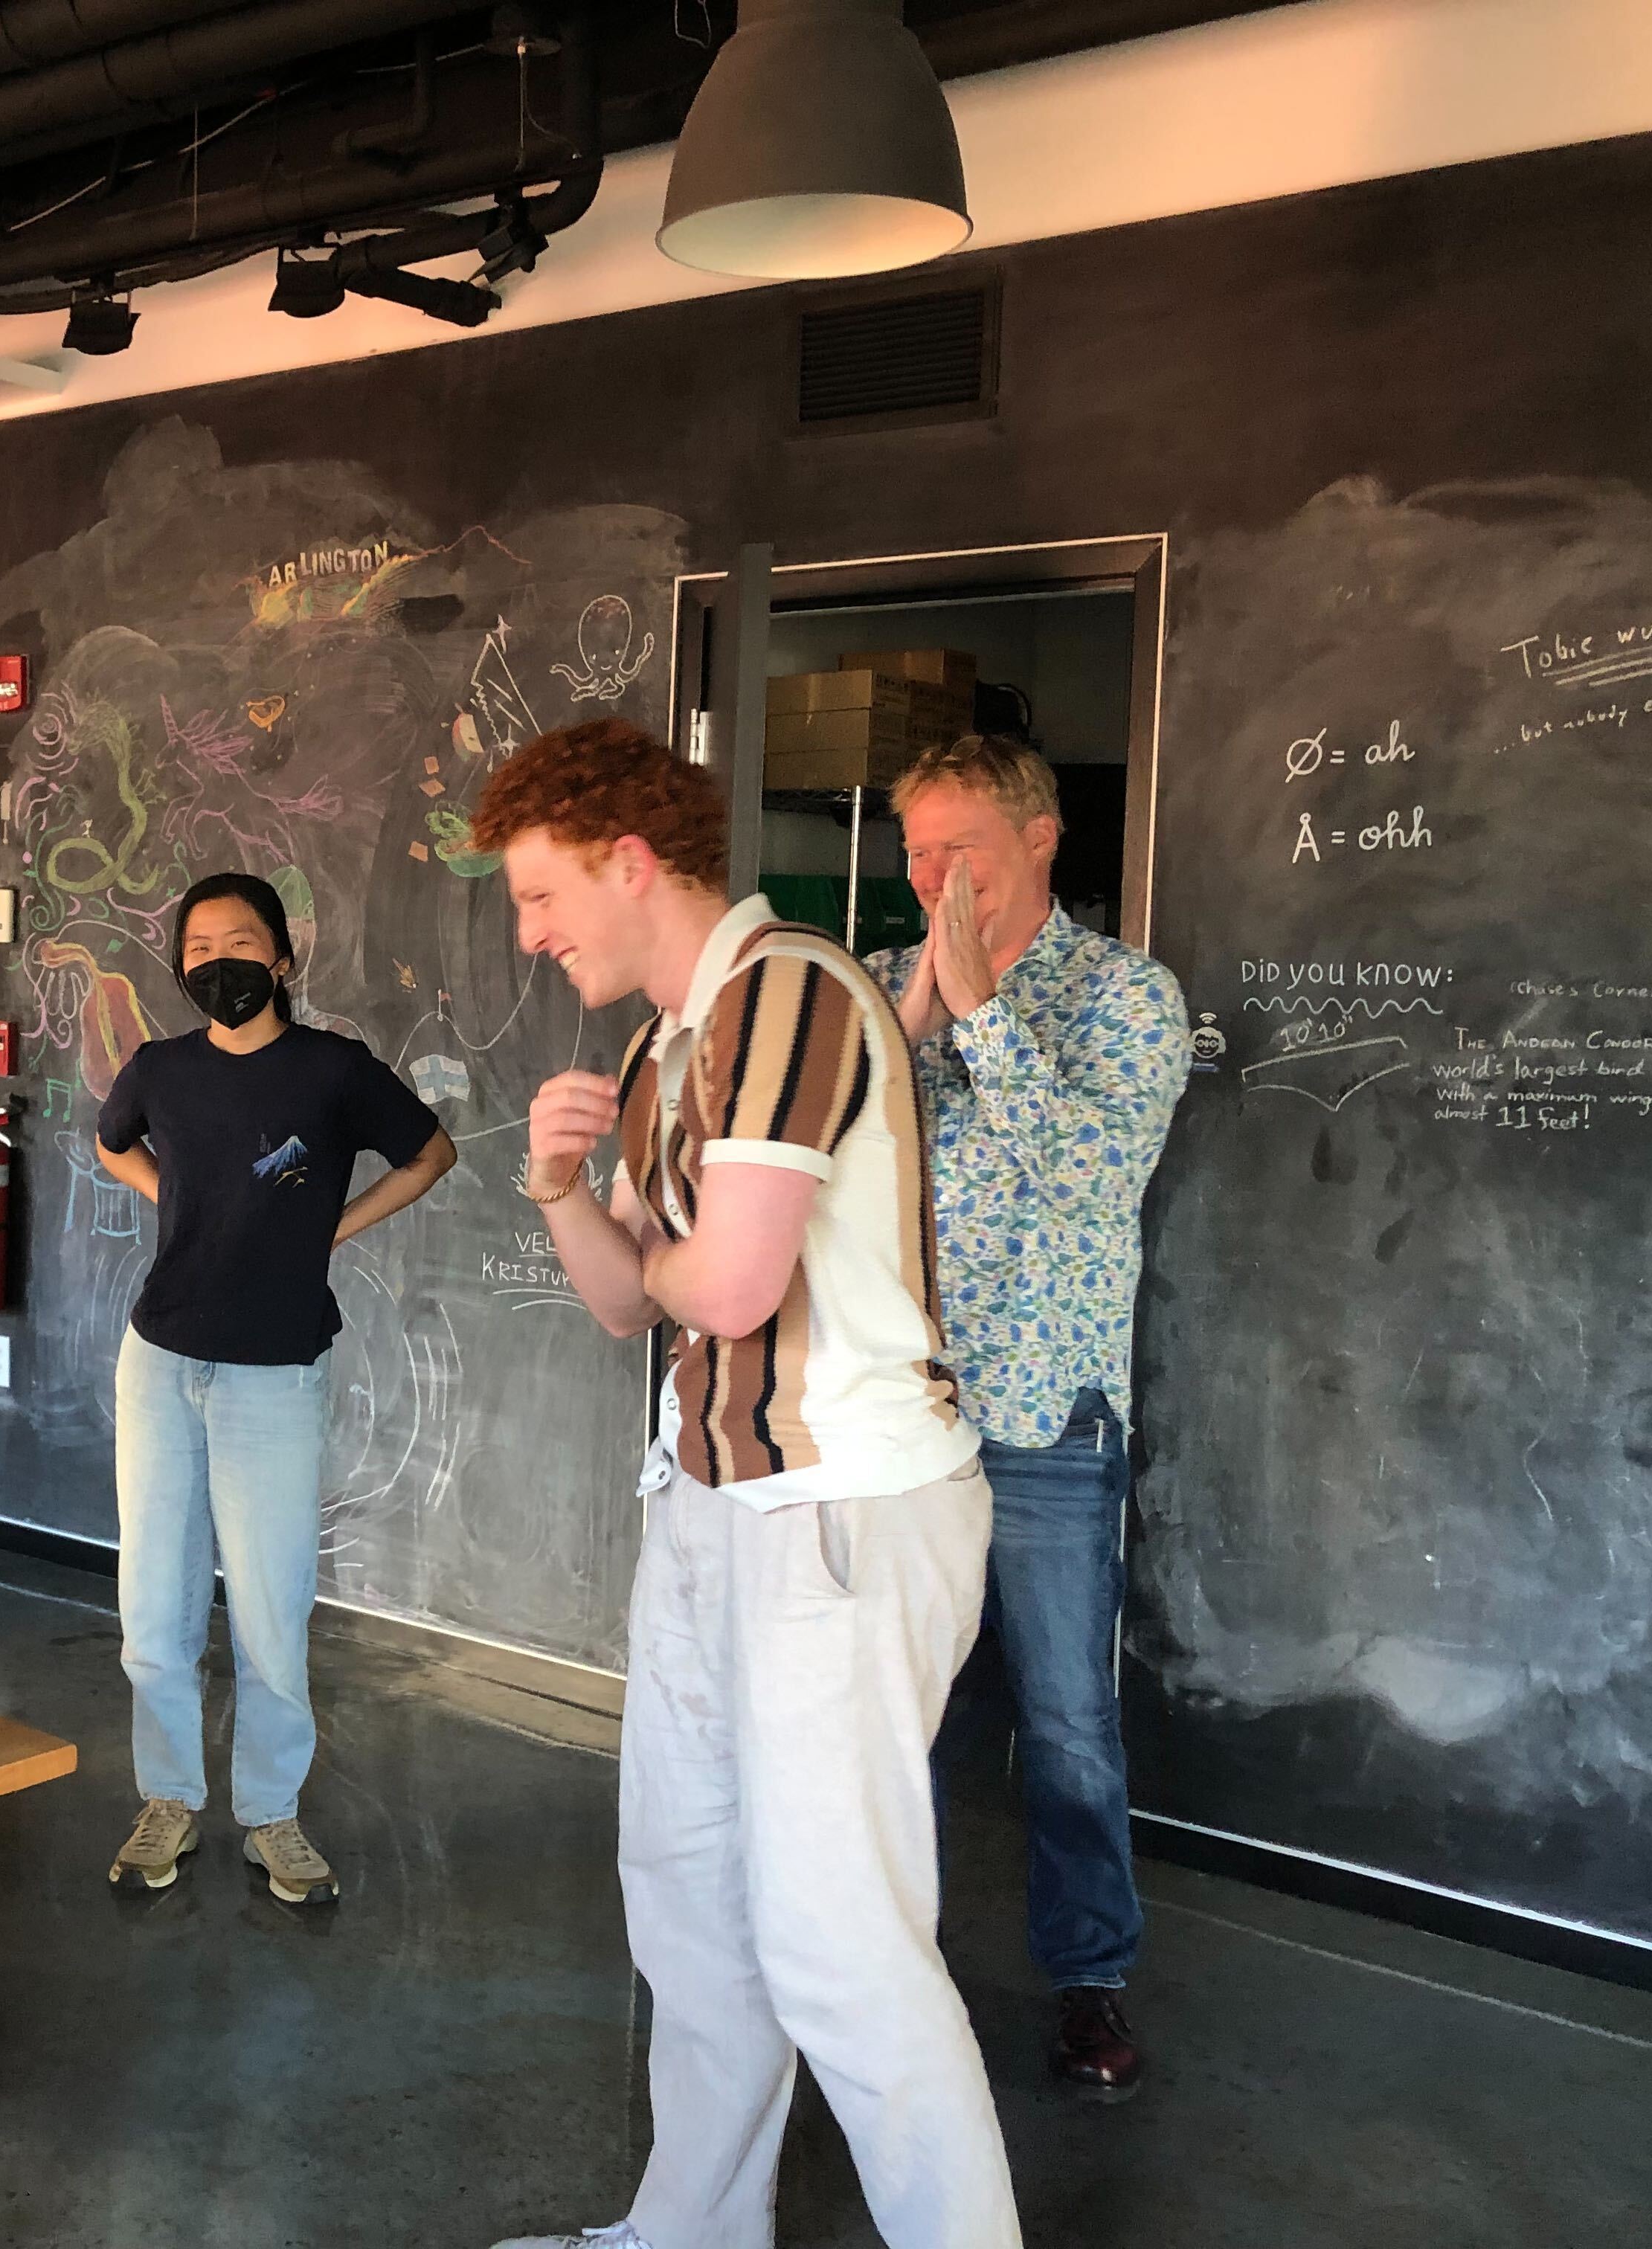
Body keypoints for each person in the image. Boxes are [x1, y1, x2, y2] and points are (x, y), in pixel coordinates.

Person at [471, 719, 1019, 2249]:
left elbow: (726, 1286)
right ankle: (689, 2234)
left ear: (629, 862)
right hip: (716, 1502)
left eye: (538, 894)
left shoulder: (790, 992)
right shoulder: (667, 1042)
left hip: (841, 1510)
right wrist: (555, 1186)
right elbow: (626, 1305)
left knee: (840, 1946)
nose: (530, 932)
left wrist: (658, 1244)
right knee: (692, 1905)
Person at [868, 733, 1190, 2101]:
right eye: (918, 855)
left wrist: (982, 1005)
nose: (936, 885)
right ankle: (888, 1968)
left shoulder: (1129, 997)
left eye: (965, 856)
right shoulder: (888, 989)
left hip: (1051, 1415)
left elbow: (1084, 1176)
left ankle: (1087, 1977)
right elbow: (814, 1148)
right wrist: (916, 1023)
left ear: (1042, 839)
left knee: (1064, 1717)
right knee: (901, 1711)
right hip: (903, 1410)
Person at [94, 871, 457, 1905]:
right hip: (160, 1363)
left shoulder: (332, 1071)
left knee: (268, 1607)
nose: (219, 962)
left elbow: (433, 1152)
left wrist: (329, 1227)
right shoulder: (161, 1069)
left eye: (240, 942)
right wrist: (173, 1203)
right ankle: (168, 1799)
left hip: (276, 1372)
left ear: (283, 960)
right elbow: (110, 1143)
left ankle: (272, 1816)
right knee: (153, 1607)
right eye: (199, 948)